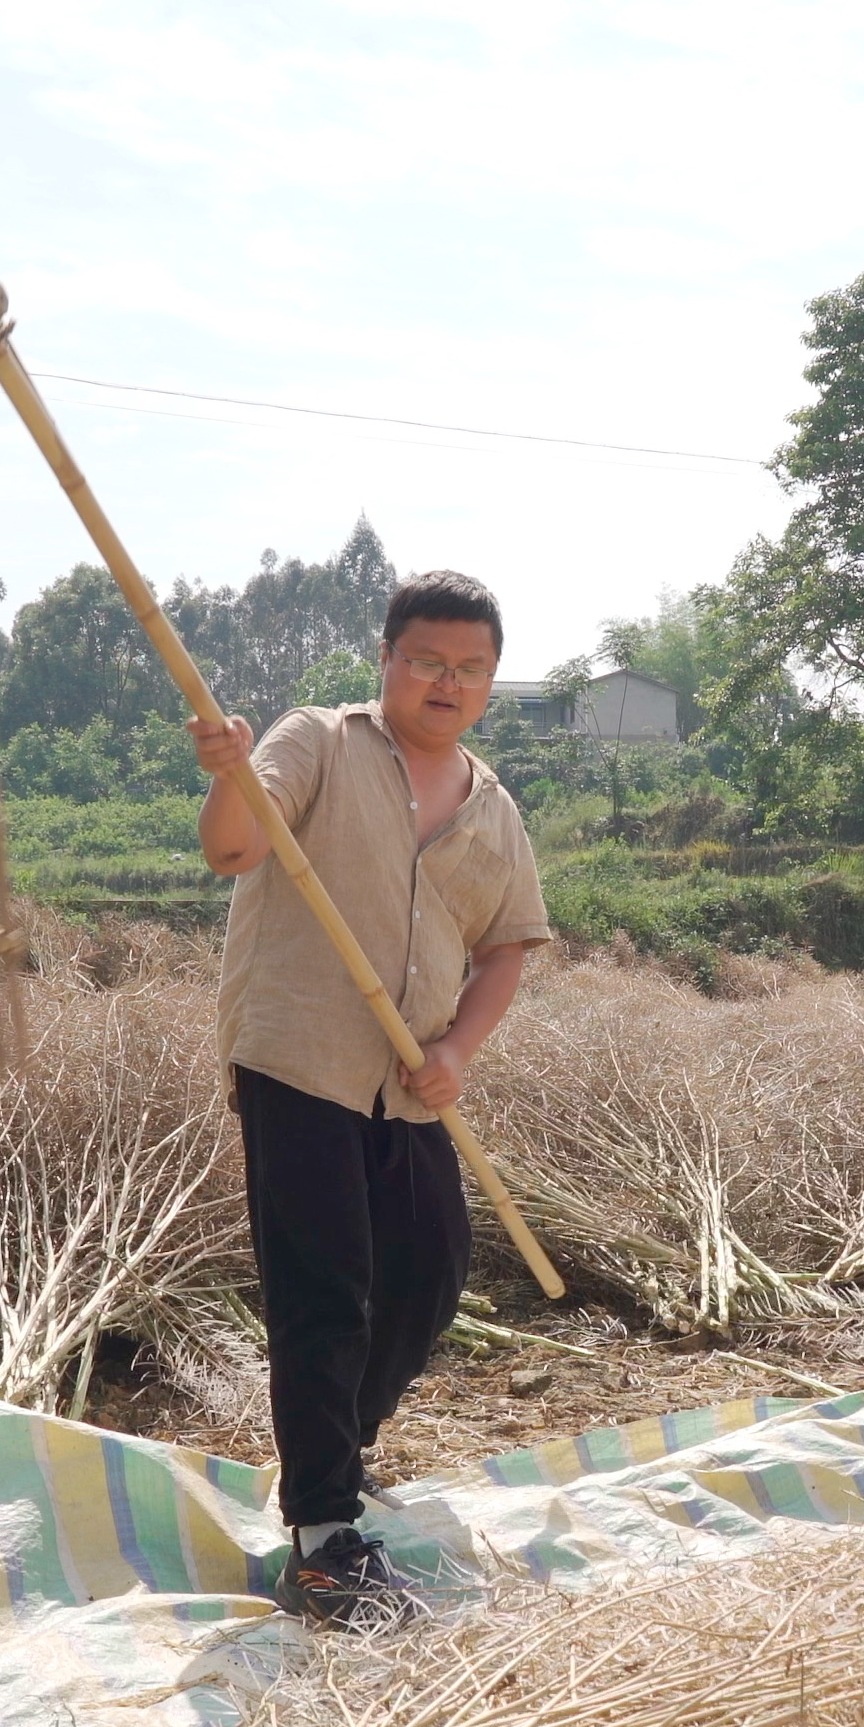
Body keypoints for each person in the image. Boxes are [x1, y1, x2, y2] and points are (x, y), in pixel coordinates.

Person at [185, 570, 550, 1626]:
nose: (447, 681)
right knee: (325, 1286)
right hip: (299, 1055)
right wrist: (227, 775)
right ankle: (322, 1535)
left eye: (469, 668)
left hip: (410, 1083)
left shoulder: (492, 803)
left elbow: (505, 947)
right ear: (387, 662)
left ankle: (339, 1448)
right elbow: (233, 847)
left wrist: (460, 1052)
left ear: (489, 681)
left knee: (430, 1275)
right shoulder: (318, 743)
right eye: (427, 661)